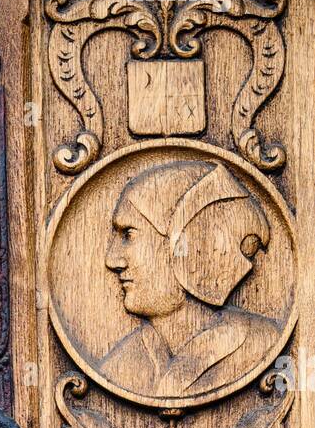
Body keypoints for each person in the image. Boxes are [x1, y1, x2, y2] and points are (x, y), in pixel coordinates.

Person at [101, 159, 280, 399]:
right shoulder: (117, 368)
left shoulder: (264, 345)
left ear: (189, 241)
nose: (112, 260)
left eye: (128, 234)